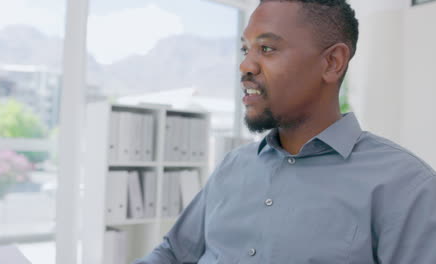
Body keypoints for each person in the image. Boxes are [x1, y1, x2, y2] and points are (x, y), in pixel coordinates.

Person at [134, 0, 436, 263]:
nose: (245, 65)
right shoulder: (233, 165)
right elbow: (173, 253)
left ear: (332, 62)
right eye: (245, 49)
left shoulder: (407, 187)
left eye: (266, 48)